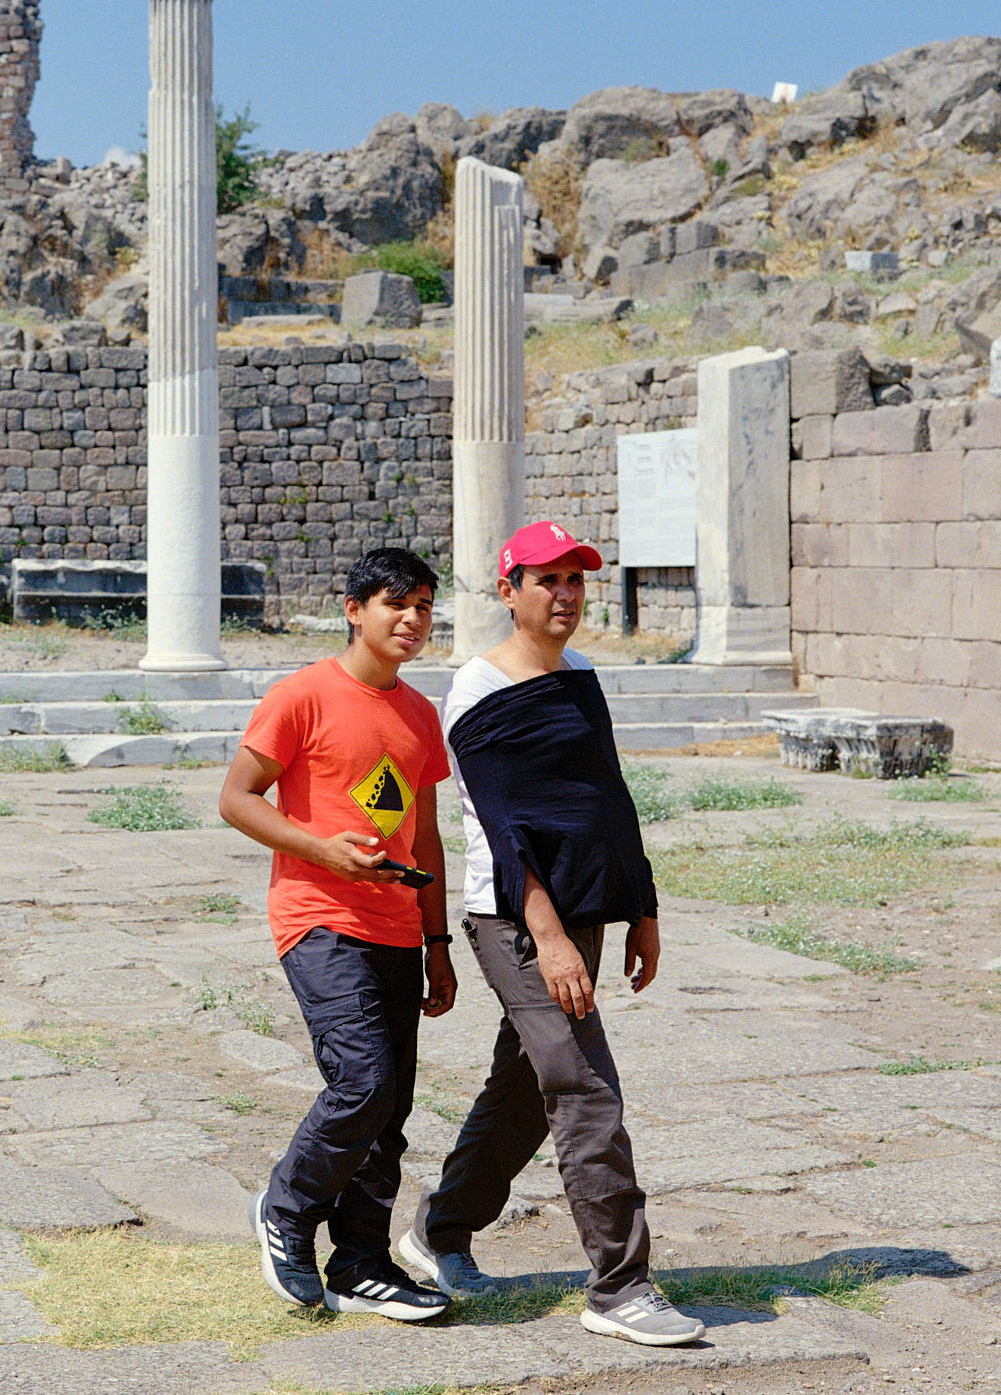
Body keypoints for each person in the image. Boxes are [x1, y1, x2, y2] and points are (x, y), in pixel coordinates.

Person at [394, 521, 703, 1347]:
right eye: (546, 581)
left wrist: (643, 906)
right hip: (516, 915)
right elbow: (503, 828)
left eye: (575, 580)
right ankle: (621, 1285)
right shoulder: (478, 691)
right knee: (584, 1086)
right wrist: (550, 937)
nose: (564, 595)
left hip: (586, 903)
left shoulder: (582, 673)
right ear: (509, 591)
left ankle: (438, 1232)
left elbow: (608, 795)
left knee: (529, 1087)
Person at [218, 547, 456, 1323]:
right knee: (363, 1083)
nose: (413, 620)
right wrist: (321, 849)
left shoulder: (421, 714)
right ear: (354, 609)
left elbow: (425, 838)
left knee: (391, 1110)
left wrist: (439, 945)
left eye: (424, 606)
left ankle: (360, 1263)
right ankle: (285, 1209)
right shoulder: (304, 695)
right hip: (318, 921)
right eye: (397, 604)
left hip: (397, 930)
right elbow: (237, 798)